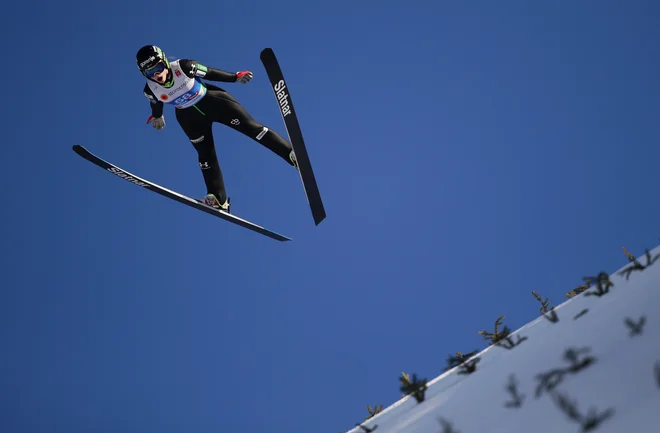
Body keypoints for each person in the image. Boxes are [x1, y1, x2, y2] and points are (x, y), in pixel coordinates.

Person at [135, 45, 298, 214]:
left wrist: (235, 77)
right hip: (188, 118)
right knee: (205, 156)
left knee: (253, 129)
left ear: (165, 62)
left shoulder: (184, 67)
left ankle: (291, 155)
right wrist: (157, 116)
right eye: (149, 73)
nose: (157, 75)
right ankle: (217, 199)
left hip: (215, 102)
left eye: (158, 68)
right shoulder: (150, 89)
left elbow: (211, 73)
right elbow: (155, 103)